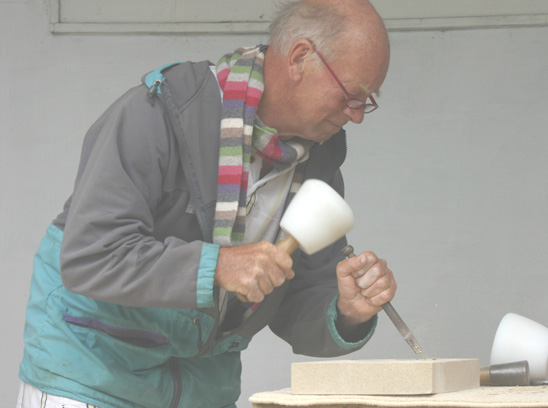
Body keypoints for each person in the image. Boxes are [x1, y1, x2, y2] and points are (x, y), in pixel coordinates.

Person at [17, 0, 395, 407]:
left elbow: (293, 300)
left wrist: (346, 310)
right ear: (301, 58)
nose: (356, 116)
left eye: (367, 101)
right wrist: (218, 265)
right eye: (352, 95)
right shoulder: (160, 115)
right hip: (91, 377)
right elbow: (91, 255)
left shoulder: (318, 166)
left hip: (201, 391)